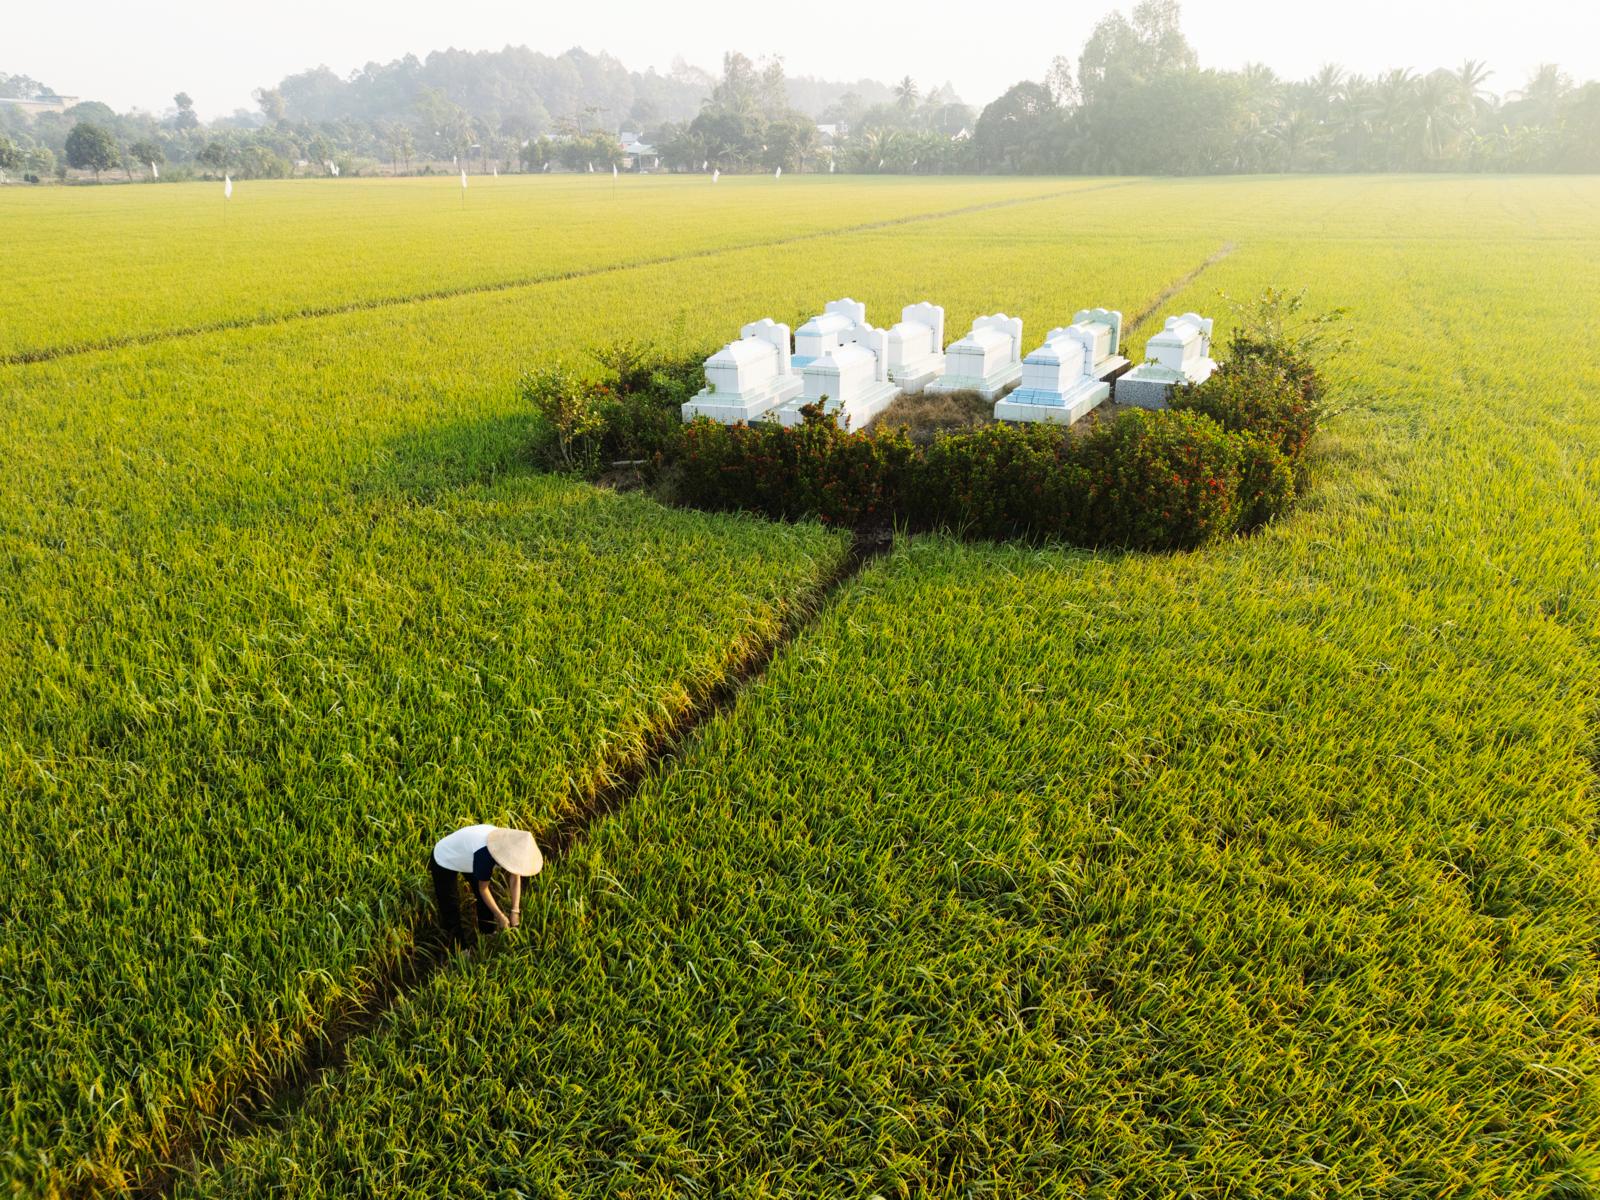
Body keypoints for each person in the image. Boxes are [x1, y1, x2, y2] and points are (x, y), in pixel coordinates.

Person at [430, 823, 542, 944]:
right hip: (444, 858)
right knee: (451, 905)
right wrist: (500, 916)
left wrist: (515, 911)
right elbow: (483, 889)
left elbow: (515, 877)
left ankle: (487, 932)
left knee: (485, 898)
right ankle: (460, 948)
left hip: (469, 856)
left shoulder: (510, 843)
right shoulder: (485, 854)